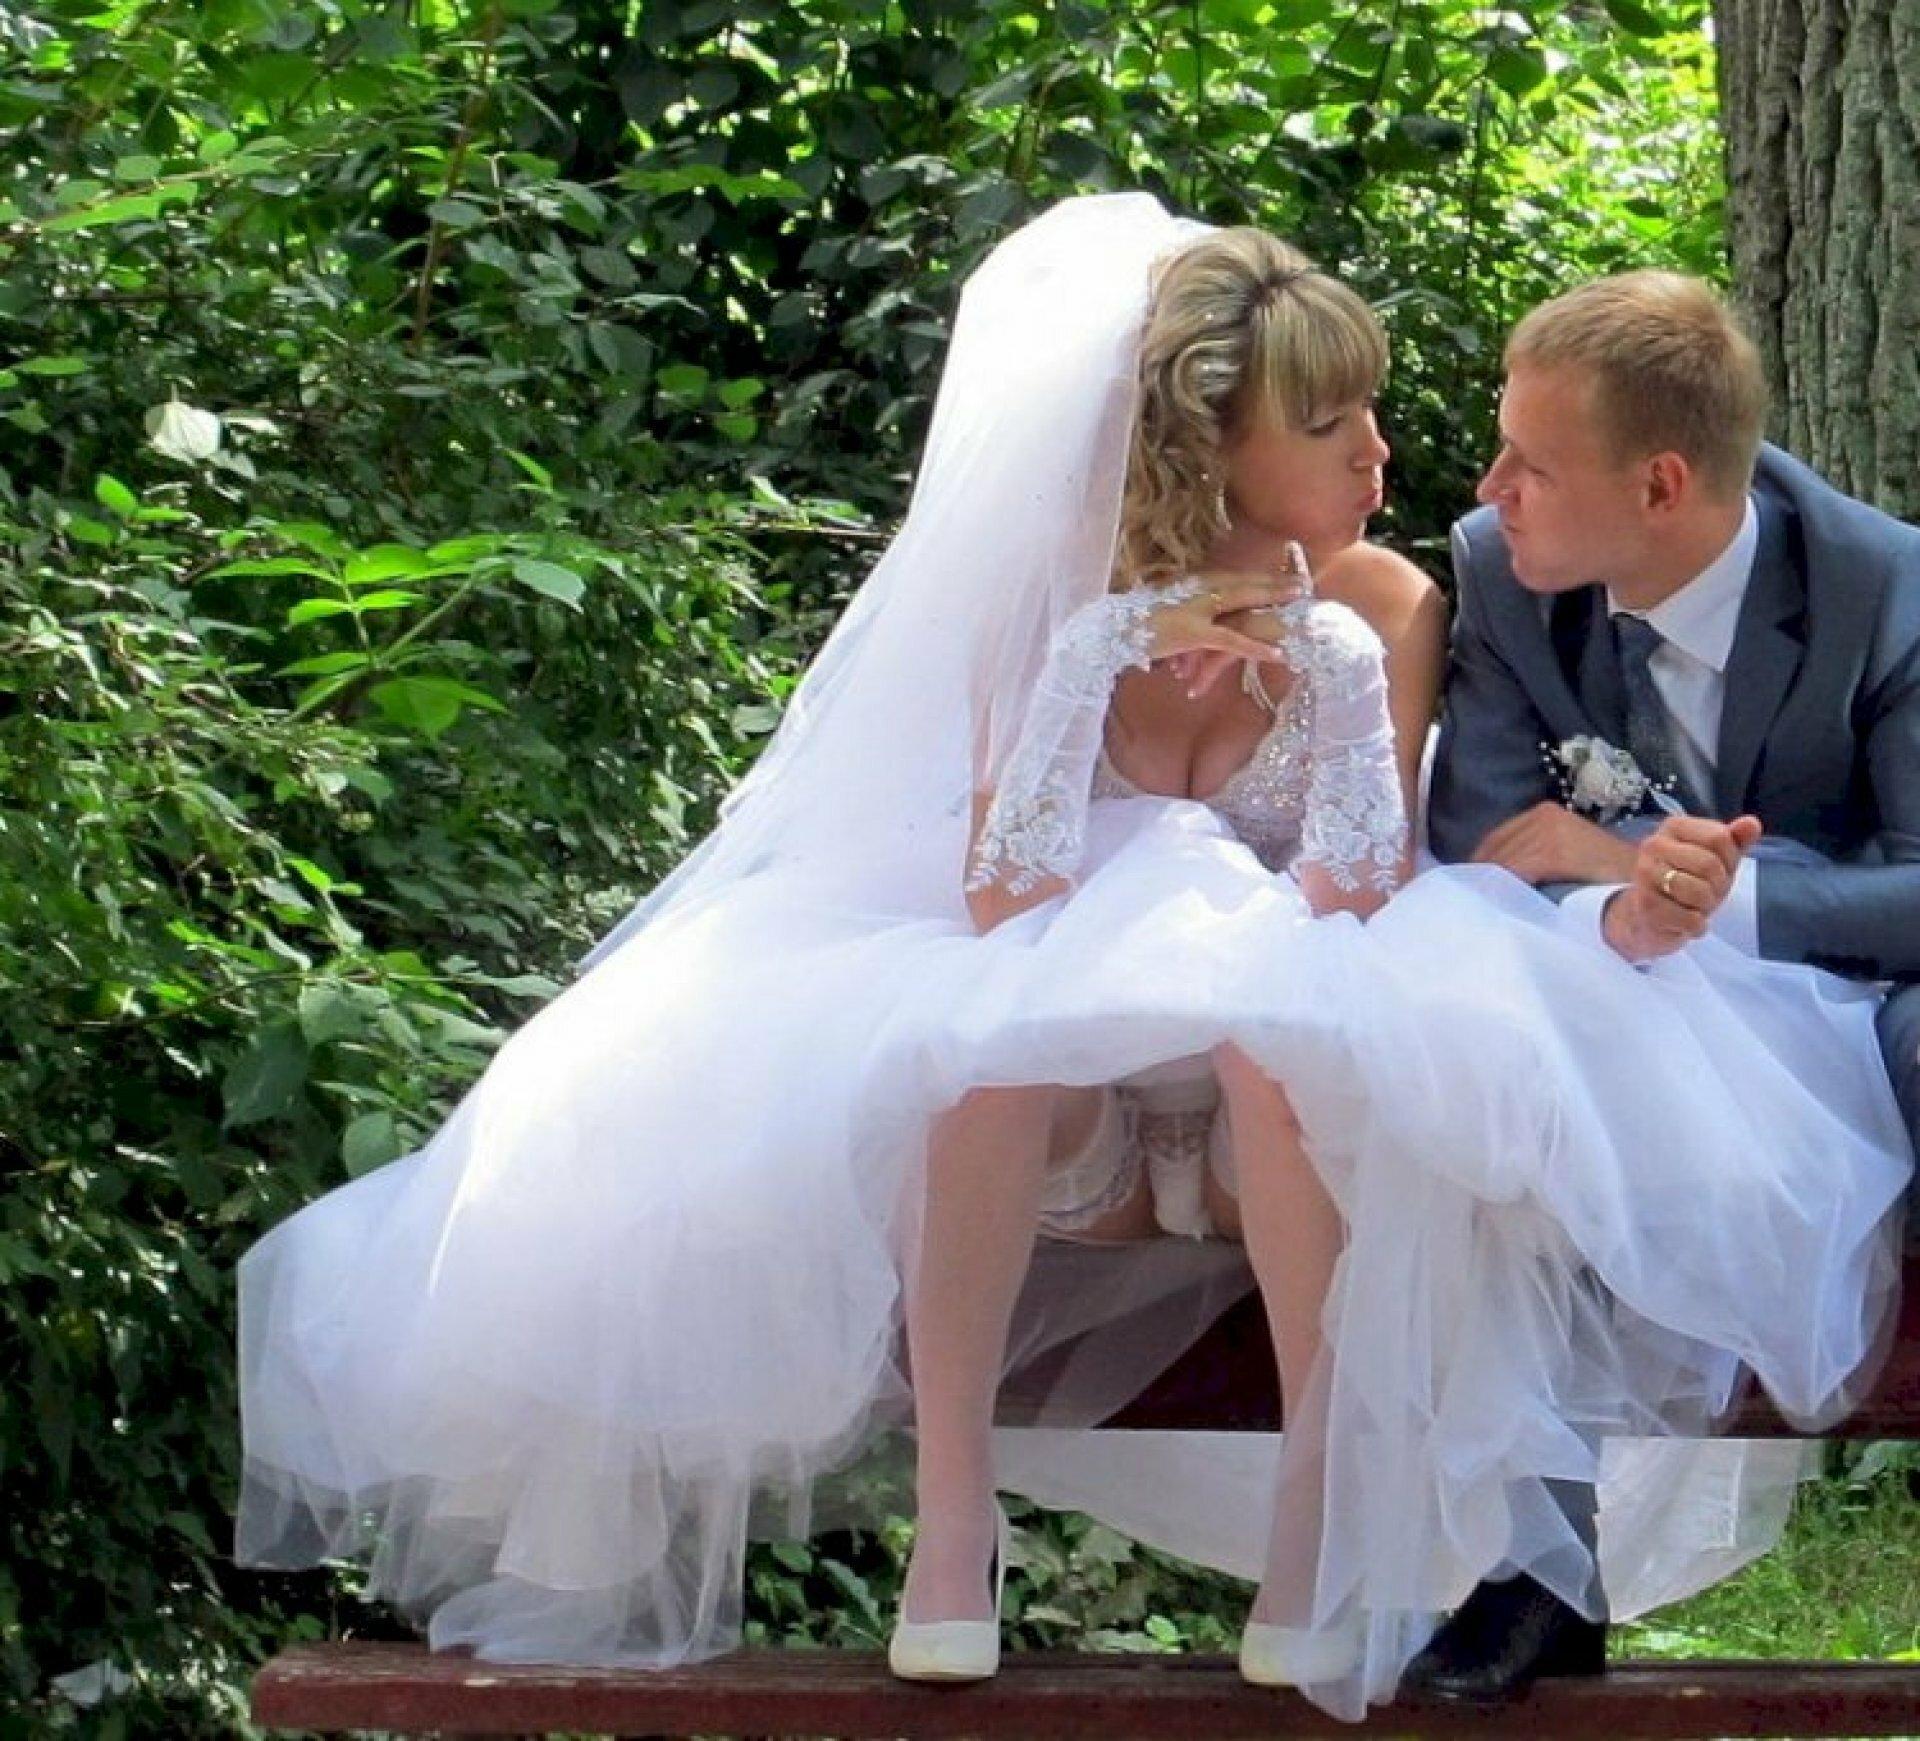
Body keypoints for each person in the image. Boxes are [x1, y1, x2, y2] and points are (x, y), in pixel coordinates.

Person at [234, 199, 1911, 1724]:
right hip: (1083, 1093)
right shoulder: (1071, 601)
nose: (1403, 460)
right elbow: (1010, 899)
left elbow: (1366, 887)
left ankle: (1322, 1535)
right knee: (983, 1043)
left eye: (1388, 417)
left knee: (1289, 1042)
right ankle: (951, 1533)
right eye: (1336, 423)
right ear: (1216, 446)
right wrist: (1103, 648)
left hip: (1274, 1087)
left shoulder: (1405, 600)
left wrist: (1335, 671)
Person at [1418, 270, 1920, 1699]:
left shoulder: (1885, 590)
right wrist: (1625, 900)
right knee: (1488, 1041)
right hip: (1596, 977)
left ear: (1659, 485)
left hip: (1823, 996)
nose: (1491, 487)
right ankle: (1535, 1565)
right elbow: (1484, 836)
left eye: (1531, 461)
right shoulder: (1500, 572)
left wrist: (1703, 889)